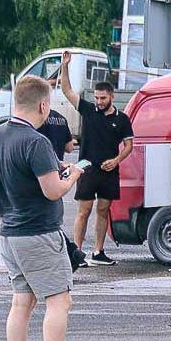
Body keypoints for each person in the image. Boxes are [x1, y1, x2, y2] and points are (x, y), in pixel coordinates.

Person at [0, 75, 92, 341]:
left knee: (22, 301)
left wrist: (51, 165)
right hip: (39, 233)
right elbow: (52, 191)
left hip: (10, 233)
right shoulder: (37, 141)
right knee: (59, 300)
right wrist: (73, 174)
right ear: (43, 105)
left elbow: (20, 173)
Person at [60, 51, 134, 266]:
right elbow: (66, 90)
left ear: (111, 96)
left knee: (103, 210)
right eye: (96, 97)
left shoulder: (122, 119)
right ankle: (77, 253)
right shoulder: (88, 110)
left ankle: (98, 252)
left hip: (109, 171)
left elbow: (129, 145)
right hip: (87, 169)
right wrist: (65, 66)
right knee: (84, 211)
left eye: (103, 98)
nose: (99, 101)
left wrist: (116, 160)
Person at [36, 104, 87, 271]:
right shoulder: (61, 119)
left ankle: (71, 253)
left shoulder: (37, 120)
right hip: (58, 170)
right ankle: (71, 253)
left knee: (43, 219)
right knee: (50, 215)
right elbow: (70, 147)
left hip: (41, 171)